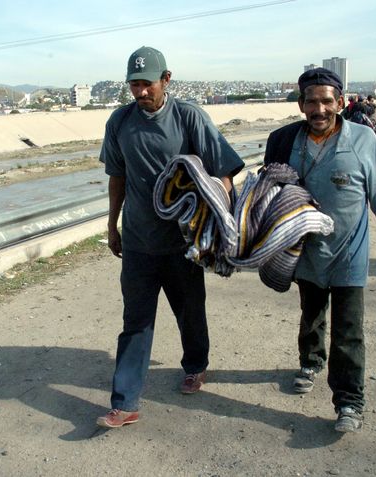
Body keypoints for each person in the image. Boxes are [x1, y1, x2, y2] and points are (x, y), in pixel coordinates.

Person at [96, 46, 244, 428]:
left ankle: (195, 365)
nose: (141, 92)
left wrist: (218, 218)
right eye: (134, 85)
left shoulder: (189, 117)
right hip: (139, 242)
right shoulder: (120, 122)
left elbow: (225, 171)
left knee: (190, 311)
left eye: (147, 84)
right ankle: (125, 402)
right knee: (135, 322)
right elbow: (117, 177)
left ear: (166, 79)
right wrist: (112, 225)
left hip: (183, 244)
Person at [263, 68, 376, 433]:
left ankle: (349, 402)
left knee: (348, 329)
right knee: (311, 314)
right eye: (312, 102)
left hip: (349, 252)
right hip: (305, 251)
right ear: (301, 105)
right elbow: (268, 194)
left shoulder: (363, 139)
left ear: (340, 102)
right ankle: (311, 362)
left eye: (327, 101)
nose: (320, 109)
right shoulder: (284, 142)